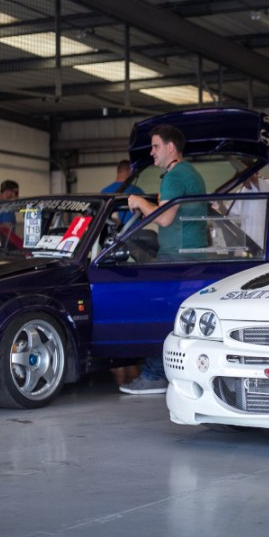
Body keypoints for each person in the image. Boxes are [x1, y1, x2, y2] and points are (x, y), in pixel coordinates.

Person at [119, 124, 206, 395]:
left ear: (170, 148)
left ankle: (155, 374)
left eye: (156, 146)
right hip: (191, 253)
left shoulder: (173, 176)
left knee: (152, 311)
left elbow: (165, 218)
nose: (152, 152)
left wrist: (139, 203)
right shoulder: (190, 172)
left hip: (175, 256)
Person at [228, 171, 269, 251]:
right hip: (246, 245)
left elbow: (254, 179)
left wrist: (247, 170)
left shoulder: (265, 184)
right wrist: (218, 204)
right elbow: (228, 212)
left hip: (263, 245)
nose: (243, 183)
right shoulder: (241, 192)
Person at [101, 159, 144, 226]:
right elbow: (146, 215)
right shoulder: (137, 191)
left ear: (118, 171)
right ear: (130, 172)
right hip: (134, 233)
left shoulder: (104, 192)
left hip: (111, 234)